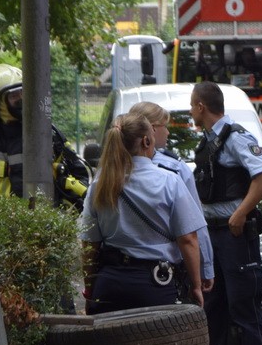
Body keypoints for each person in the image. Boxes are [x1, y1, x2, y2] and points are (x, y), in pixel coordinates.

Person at [191, 81, 262, 345]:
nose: (191, 112)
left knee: (245, 312)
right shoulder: (208, 141)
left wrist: (241, 214)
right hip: (214, 237)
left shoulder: (236, 137)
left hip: (235, 237)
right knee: (215, 312)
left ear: (202, 107)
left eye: (192, 106)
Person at [78, 113, 205, 314]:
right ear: (146, 141)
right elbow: (188, 239)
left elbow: (89, 245)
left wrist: (90, 290)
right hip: (156, 285)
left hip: (109, 284)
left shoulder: (100, 185)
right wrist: (196, 286)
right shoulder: (169, 181)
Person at [0, 64, 90, 208]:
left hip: (50, 225)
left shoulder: (49, 134)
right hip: (3, 227)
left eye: (23, 93)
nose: (21, 99)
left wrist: (66, 210)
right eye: (13, 96)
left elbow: (80, 176)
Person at [128, 101, 216, 297]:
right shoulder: (174, 170)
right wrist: (205, 268)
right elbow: (192, 231)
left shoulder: (108, 172)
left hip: (116, 274)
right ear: (149, 131)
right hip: (163, 273)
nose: (167, 132)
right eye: (164, 126)